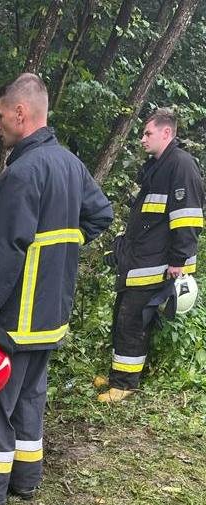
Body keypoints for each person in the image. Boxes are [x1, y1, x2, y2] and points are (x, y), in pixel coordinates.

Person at [0, 73, 113, 505]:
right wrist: (62, 251)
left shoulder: (21, 172)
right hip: (52, 312)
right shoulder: (70, 164)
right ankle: (25, 480)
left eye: (0, 116)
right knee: (30, 399)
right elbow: (100, 216)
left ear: (21, 113)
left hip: (17, 316)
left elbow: (4, 252)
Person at [96, 108, 203, 402]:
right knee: (122, 316)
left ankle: (125, 385)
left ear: (166, 133)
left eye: (148, 133)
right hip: (140, 260)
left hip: (156, 265)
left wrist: (179, 262)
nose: (142, 139)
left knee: (132, 321)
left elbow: (188, 218)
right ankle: (120, 376)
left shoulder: (181, 165)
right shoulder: (158, 166)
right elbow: (146, 219)